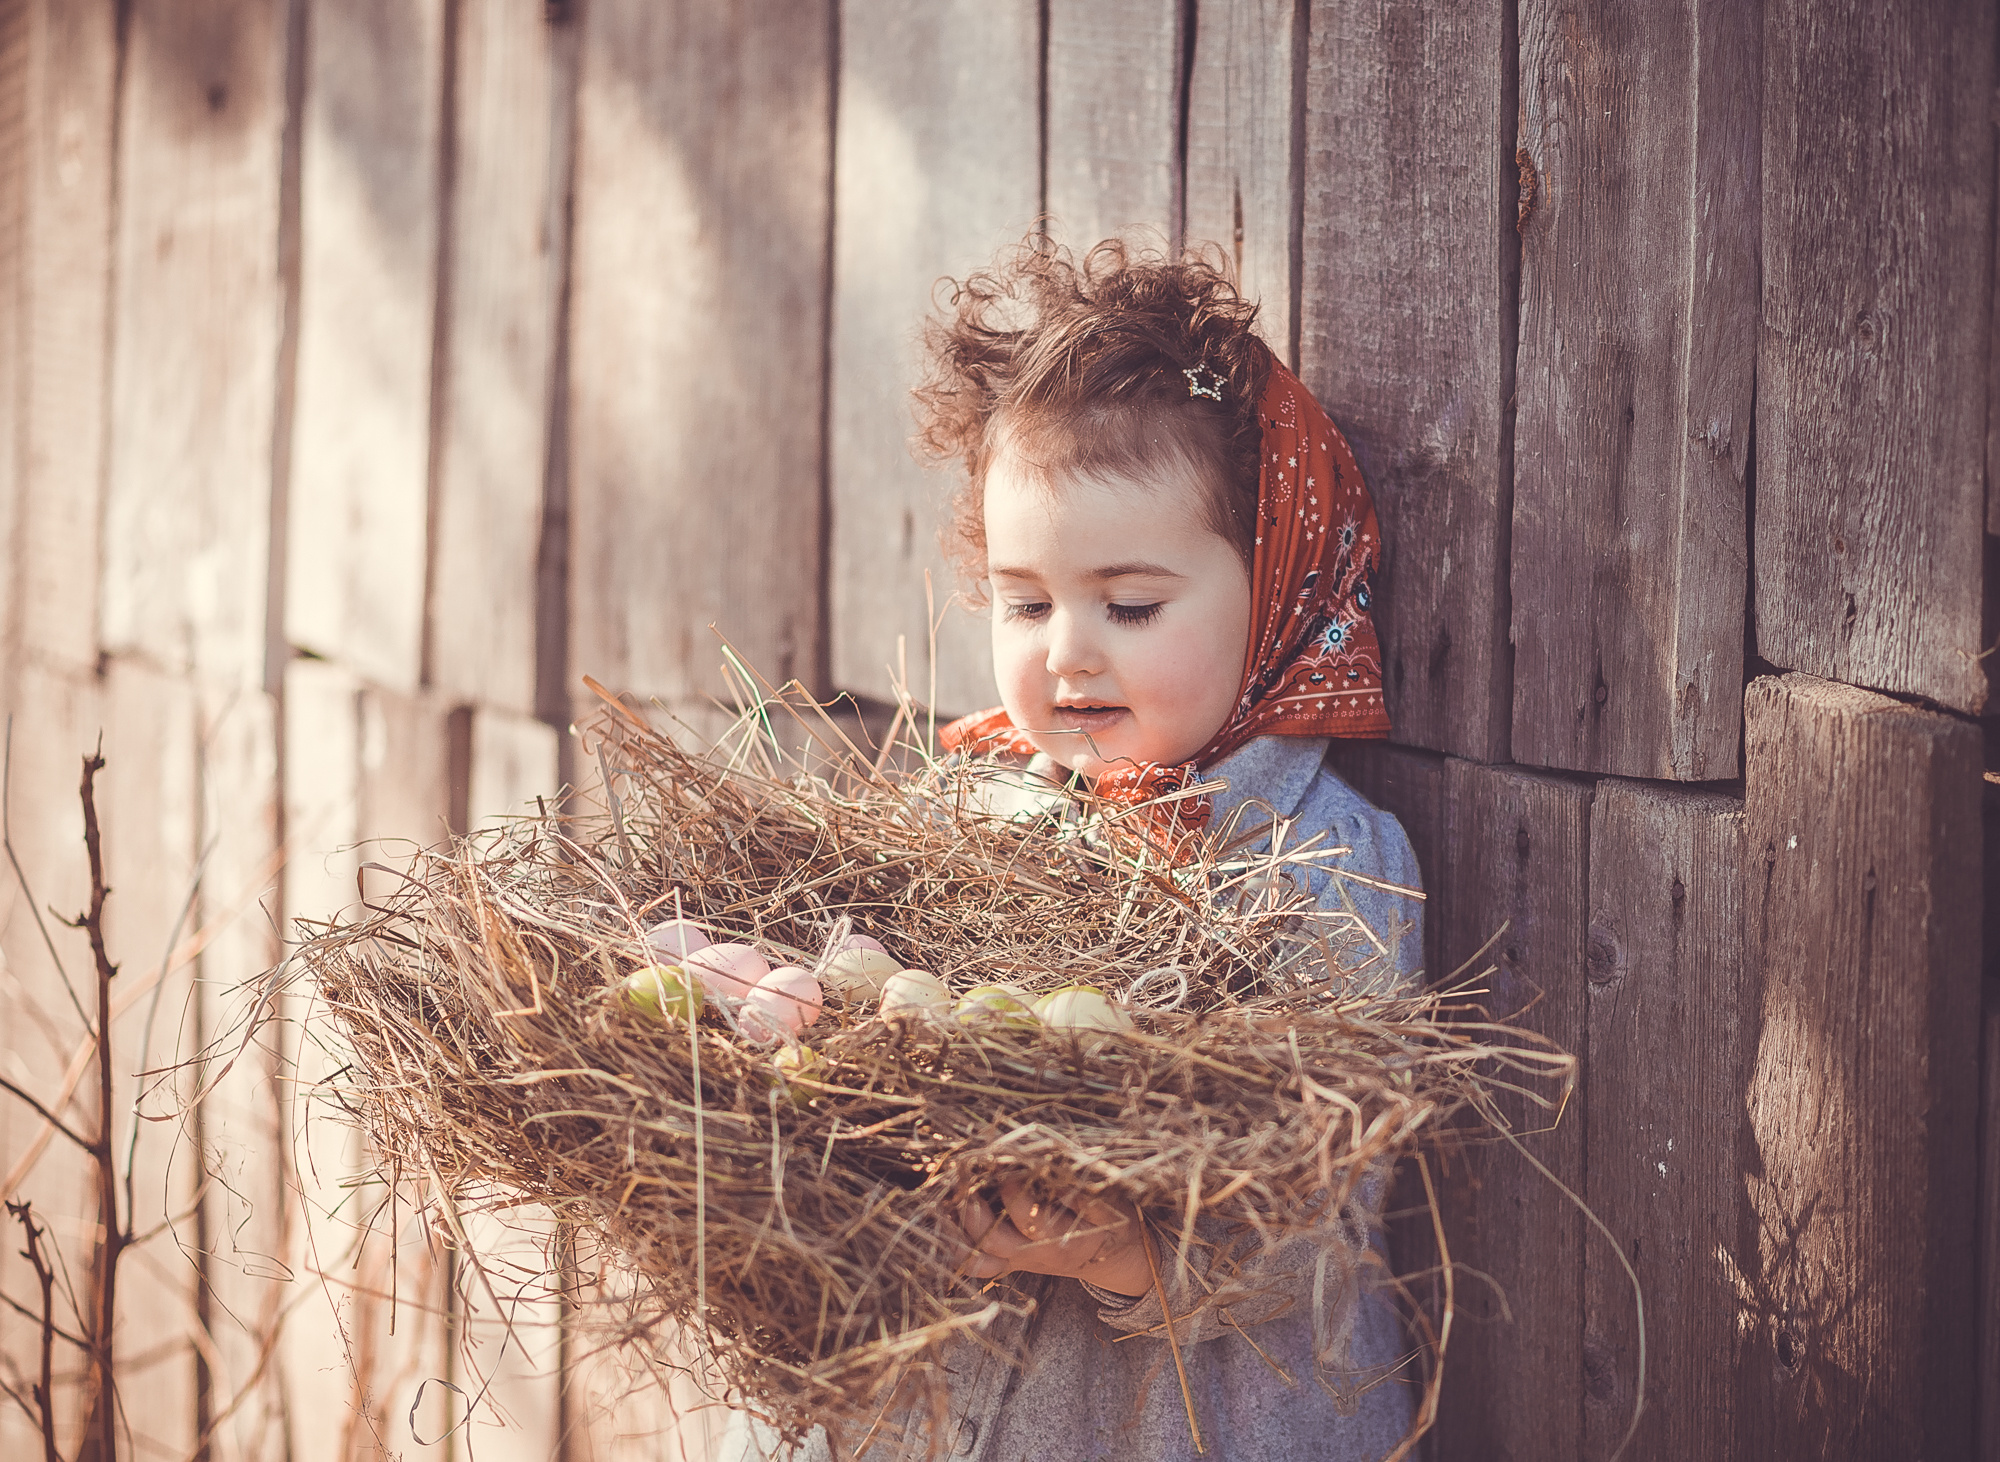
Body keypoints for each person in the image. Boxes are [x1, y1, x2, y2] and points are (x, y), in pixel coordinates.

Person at [720, 238, 1424, 1462]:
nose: (1063, 653)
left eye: (1131, 606)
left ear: (1274, 593)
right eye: (1025, 602)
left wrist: (1111, 1246)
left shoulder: (1326, 866)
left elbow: (1315, 1220)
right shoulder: (978, 810)